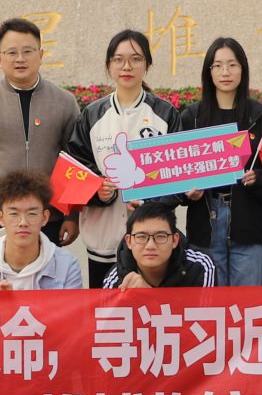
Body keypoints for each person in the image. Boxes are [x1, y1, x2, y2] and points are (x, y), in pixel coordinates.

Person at [65, 29, 180, 289]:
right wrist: (98, 192)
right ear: (109, 65)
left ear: (147, 64)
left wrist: (150, 201)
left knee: (152, 309)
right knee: (106, 308)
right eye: (118, 59)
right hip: (103, 236)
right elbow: (77, 169)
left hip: (151, 241)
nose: (126, 66)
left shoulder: (165, 114)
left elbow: (177, 179)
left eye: (135, 59)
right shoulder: (92, 115)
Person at [0, 17, 82, 254]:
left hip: (48, 216)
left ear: (41, 55)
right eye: (12, 52)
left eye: (28, 51)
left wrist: (72, 215)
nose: (20, 59)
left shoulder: (65, 102)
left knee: (46, 276)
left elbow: (75, 164)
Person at [174, 37, 262, 286]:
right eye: (218, 66)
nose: (225, 72)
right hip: (205, 224)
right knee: (210, 301)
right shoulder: (192, 117)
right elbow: (177, 175)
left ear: (243, 69)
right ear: (208, 72)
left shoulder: (259, 116)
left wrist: (257, 180)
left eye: (232, 65)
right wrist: (189, 192)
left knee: (247, 302)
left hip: (247, 223)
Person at [0, 170, 86, 290]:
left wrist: (13, 301)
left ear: (45, 217)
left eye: (32, 214)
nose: (23, 223)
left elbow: (72, 309)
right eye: (14, 214)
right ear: (1, 218)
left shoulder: (66, 265)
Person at [101, 199, 216, 289]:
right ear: (129, 241)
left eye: (160, 236)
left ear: (175, 240)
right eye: (141, 237)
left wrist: (149, 295)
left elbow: (207, 311)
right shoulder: (115, 279)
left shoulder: (200, 266)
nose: (150, 246)